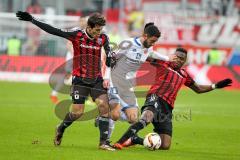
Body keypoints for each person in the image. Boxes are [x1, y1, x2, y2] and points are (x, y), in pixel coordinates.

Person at [16, 11, 115, 151]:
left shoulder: (103, 38)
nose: (99, 33)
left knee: (104, 106)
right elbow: (53, 30)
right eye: (97, 30)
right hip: (80, 80)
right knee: (77, 113)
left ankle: (103, 143)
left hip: (97, 79)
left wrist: (110, 63)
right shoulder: (76, 35)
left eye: (101, 30)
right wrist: (33, 20)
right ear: (90, 27)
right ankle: (61, 128)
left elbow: (109, 55)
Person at [113, 47, 232, 150]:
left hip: (167, 108)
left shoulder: (184, 74)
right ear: (173, 56)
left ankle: (135, 139)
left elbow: (198, 89)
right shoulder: (163, 63)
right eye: (177, 57)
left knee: (165, 145)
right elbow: (147, 55)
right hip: (156, 97)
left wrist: (215, 86)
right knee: (145, 119)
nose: (179, 60)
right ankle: (120, 141)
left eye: (182, 59)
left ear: (184, 61)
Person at [103, 23, 177, 143]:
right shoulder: (128, 43)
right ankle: (106, 141)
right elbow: (110, 59)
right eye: (152, 40)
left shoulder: (149, 47)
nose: (153, 44)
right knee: (115, 114)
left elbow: (150, 54)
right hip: (115, 81)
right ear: (145, 35)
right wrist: (106, 77)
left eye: (155, 42)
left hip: (128, 86)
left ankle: (104, 116)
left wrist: (166, 58)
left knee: (133, 118)